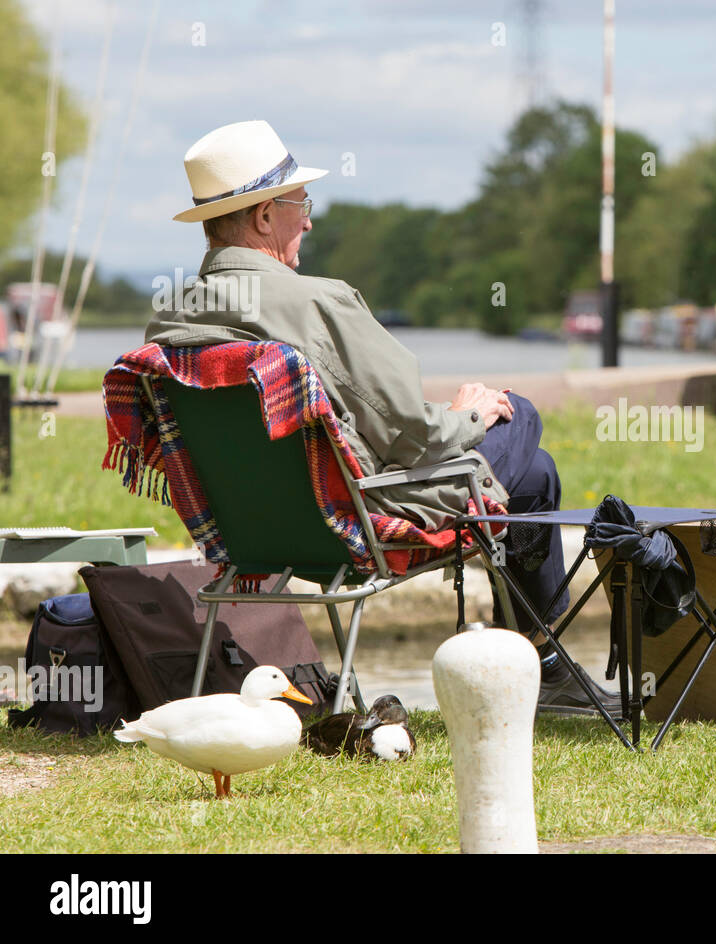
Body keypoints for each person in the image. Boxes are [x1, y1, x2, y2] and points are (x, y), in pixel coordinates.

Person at [144, 120, 618, 715]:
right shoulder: (318, 301)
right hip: (358, 520)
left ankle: (544, 668)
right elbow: (414, 437)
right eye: (300, 204)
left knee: (536, 474)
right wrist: (470, 413)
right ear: (264, 216)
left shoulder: (170, 322)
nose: (309, 220)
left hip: (247, 534)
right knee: (519, 418)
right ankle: (543, 668)